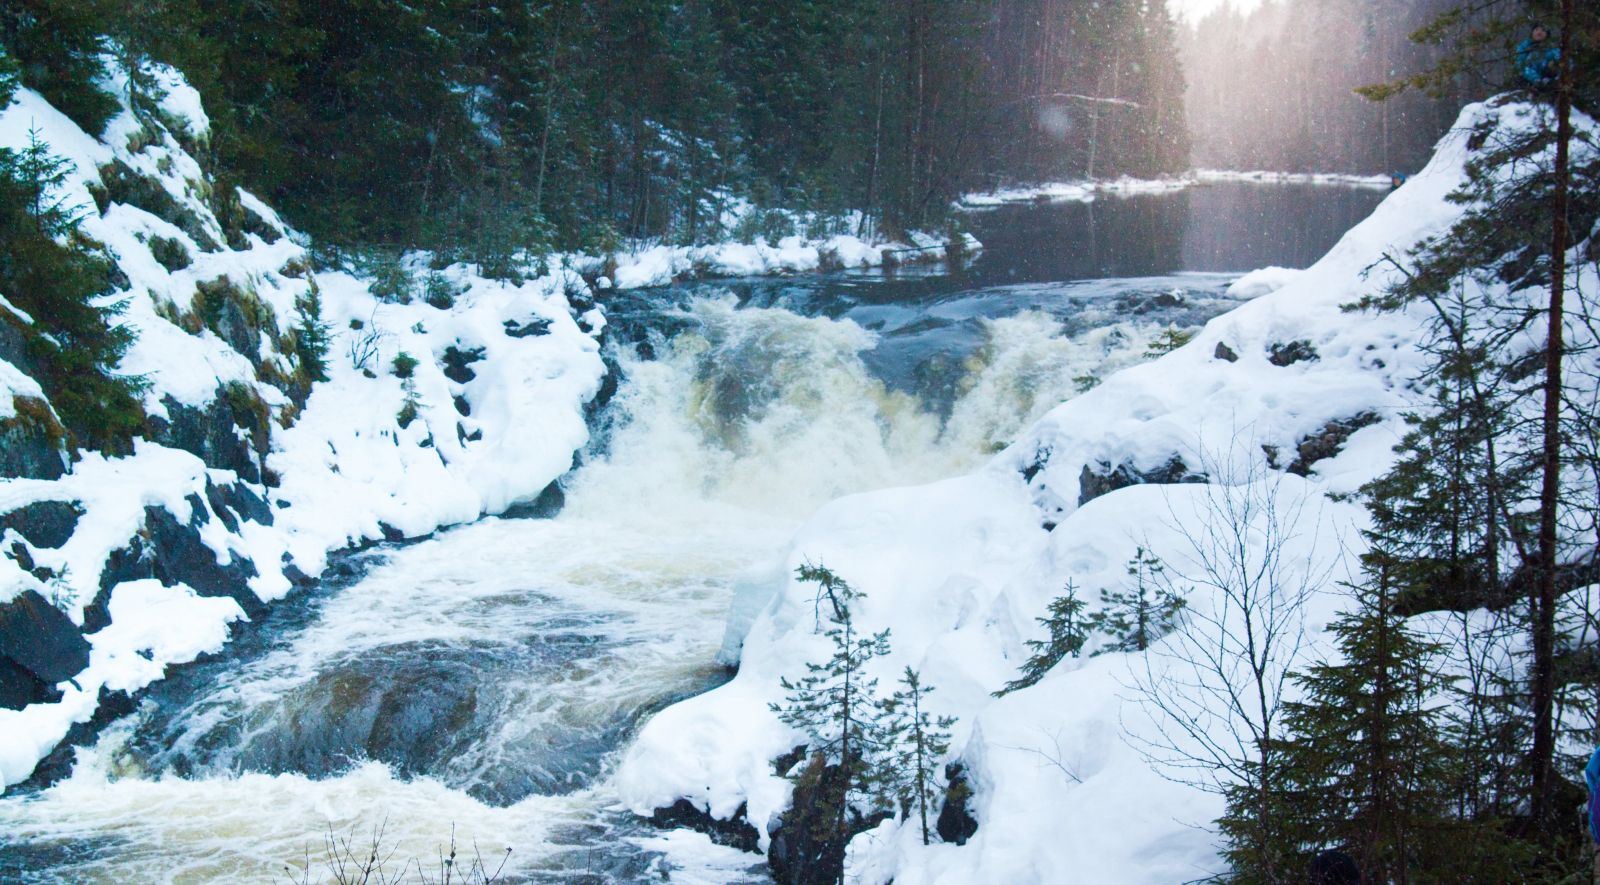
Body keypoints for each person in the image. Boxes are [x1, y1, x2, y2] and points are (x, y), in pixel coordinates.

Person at [1517, 24, 1561, 89]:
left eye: (1543, 30)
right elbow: (1520, 65)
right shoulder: (1524, 46)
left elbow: (1560, 58)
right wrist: (1536, 79)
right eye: (1536, 30)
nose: (1539, 33)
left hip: (1548, 76)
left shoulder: (1551, 48)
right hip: (1529, 78)